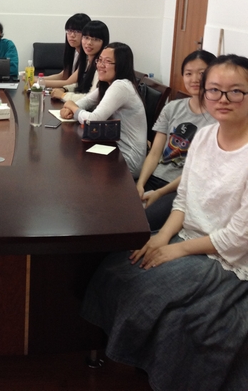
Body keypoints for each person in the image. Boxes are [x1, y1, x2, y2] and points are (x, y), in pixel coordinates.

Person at [81, 54, 248, 391]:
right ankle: (131, 356)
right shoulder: (204, 136)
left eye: (236, 91)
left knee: (153, 296)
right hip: (187, 234)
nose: (222, 99)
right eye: (214, 90)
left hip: (227, 257)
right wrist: (162, 238)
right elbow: (184, 199)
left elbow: (238, 237)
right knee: (116, 267)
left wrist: (177, 250)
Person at [136, 49, 217, 230]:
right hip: (154, 177)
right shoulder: (172, 108)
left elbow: (196, 171)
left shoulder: (218, 119)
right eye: (188, 73)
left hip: (181, 188)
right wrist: (140, 184)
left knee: (142, 223)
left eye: (201, 73)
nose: (194, 79)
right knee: (118, 212)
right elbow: (155, 153)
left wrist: (159, 193)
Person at [60, 42, 146, 177]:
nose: (100, 65)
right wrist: (70, 108)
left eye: (107, 61)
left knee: (75, 167)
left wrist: (72, 106)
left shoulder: (121, 86)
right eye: (99, 60)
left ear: (121, 65)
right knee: (74, 161)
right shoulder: (108, 84)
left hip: (128, 159)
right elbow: (86, 101)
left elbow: (93, 121)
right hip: (113, 147)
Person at [50, 20, 110, 103]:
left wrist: (63, 95)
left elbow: (91, 99)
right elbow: (83, 84)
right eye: (86, 38)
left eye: (95, 39)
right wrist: (65, 89)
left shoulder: (101, 67)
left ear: (104, 42)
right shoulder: (88, 61)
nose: (89, 43)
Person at [43, 13, 91, 82]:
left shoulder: (88, 57)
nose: (72, 35)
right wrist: (37, 79)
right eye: (70, 31)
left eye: (77, 31)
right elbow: (63, 76)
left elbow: (68, 83)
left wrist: (38, 81)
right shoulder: (74, 52)